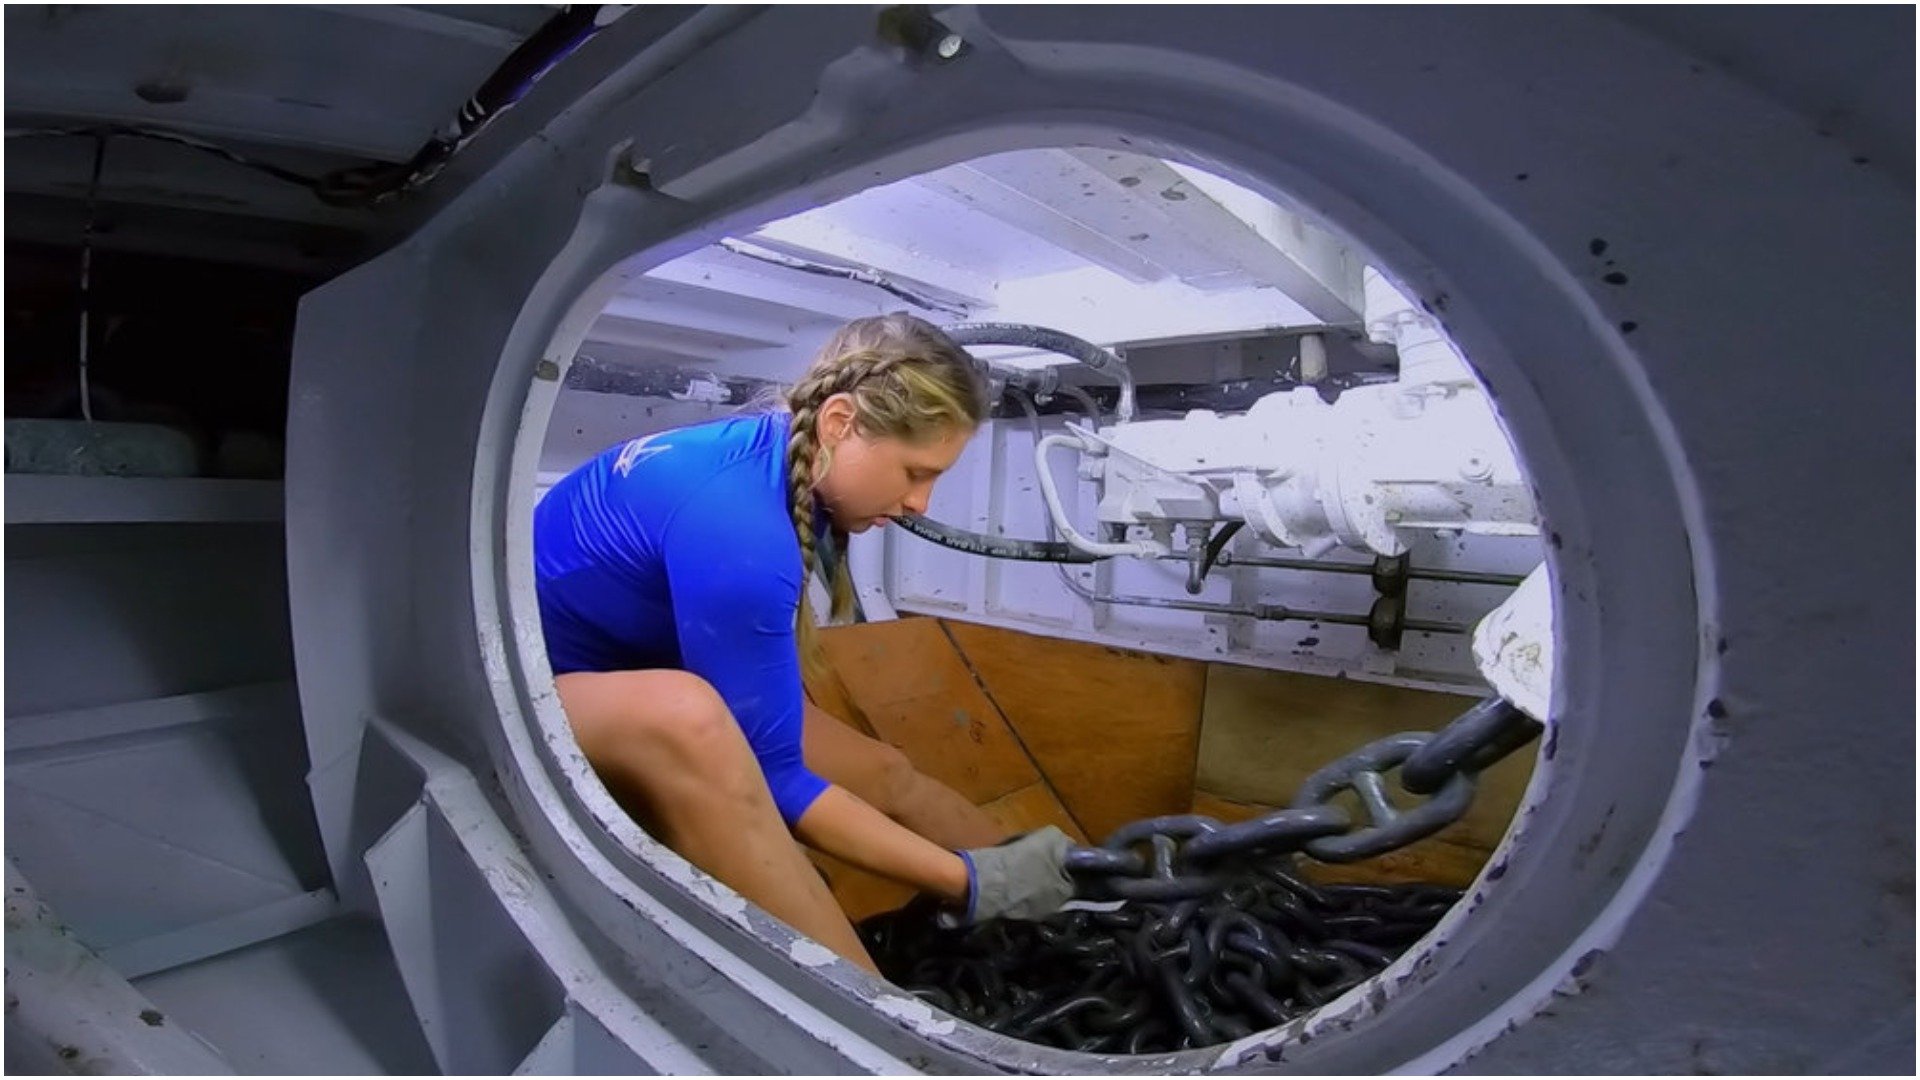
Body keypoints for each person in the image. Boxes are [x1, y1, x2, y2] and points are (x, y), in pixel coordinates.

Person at [533, 313, 1075, 973]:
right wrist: (966, 883)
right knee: (690, 718)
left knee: (883, 773)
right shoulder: (741, 528)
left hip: (624, 669)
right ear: (840, 422)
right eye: (914, 472)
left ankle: (1069, 902)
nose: (921, 503)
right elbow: (780, 783)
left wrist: (1001, 873)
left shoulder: (782, 461)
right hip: (522, 695)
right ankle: (881, 1017)